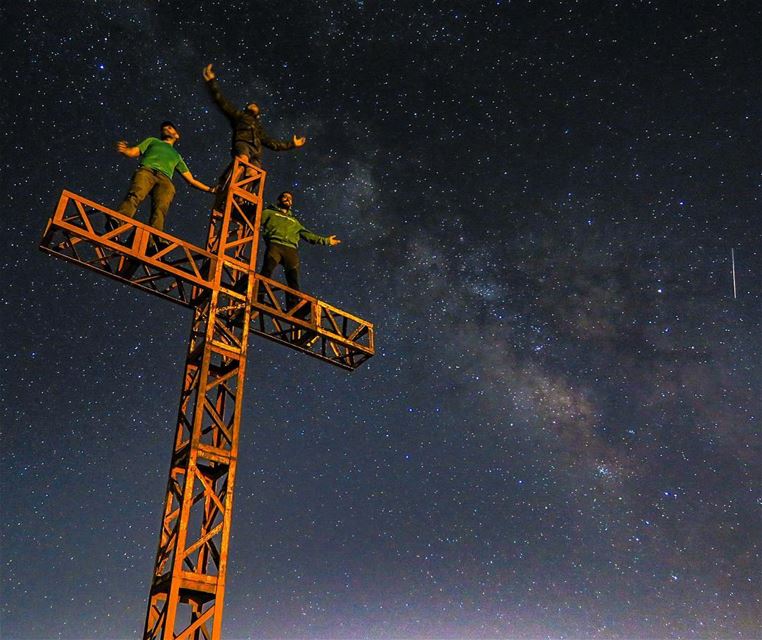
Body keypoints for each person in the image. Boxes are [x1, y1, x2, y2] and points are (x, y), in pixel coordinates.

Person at [202, 64, 306, 196]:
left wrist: (292, 144)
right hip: (243, 143)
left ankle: (242, 196)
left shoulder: (258, 129)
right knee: (242, 162)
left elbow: (272, 143)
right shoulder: (239, 116)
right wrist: (212, 83)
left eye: (255, 106)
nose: (253, 105)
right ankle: (225, 186)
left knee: (254, 173)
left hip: (256, 150)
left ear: (258, 114)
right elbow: (222, 103)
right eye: (250, 105)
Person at [114, 121, 215, 233]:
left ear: (177, 135)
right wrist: (125, 150)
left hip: (165, 180)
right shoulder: (152, 141)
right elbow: (134, 151)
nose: (166, 129)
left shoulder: (177, 156)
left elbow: (191, 180)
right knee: (135, 195)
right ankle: (118, 221)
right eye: (164, 128)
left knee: (161, 209)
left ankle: (155, 238)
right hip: (147, 171)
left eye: (170, 128)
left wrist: (210, 189)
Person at [258, 191, 340, 311]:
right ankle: (258, 297)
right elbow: (255, 219)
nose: (288, 199)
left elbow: (308, 235)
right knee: (266, 271)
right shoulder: (269, 213)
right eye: (285, 197)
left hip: (291, 249)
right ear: (278, 200)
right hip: (275, 245)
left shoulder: (295, 222)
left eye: (290, 198)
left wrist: (326, 241)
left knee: (293, 280)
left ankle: (294, 308)